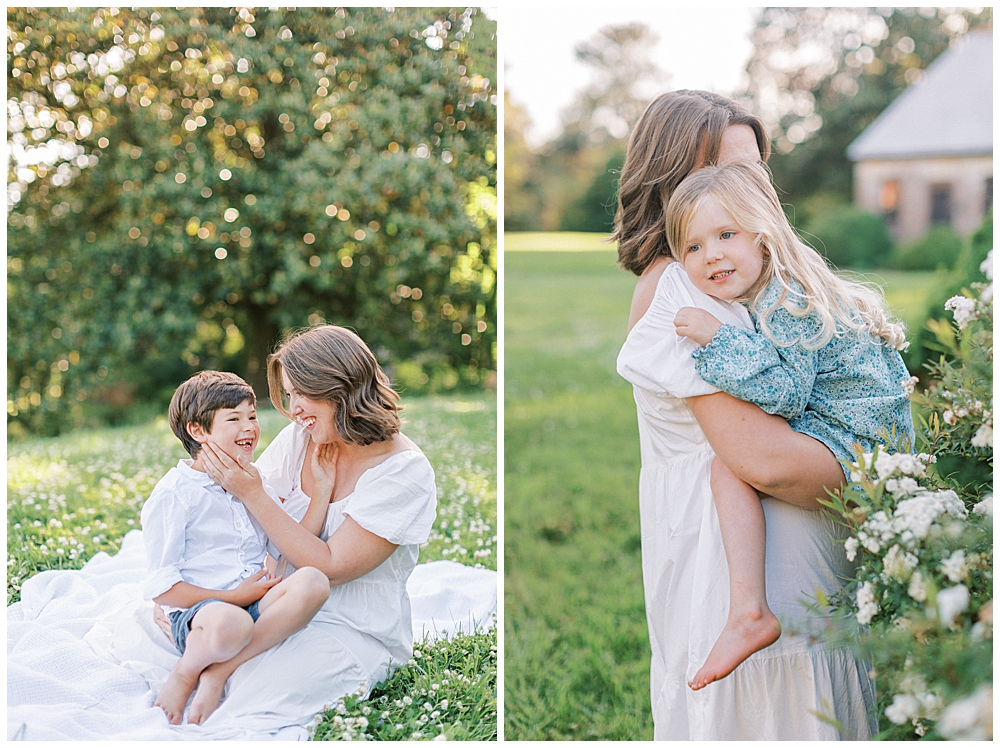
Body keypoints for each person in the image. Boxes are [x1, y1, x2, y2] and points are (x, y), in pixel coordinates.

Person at [615, 90, 878, 740]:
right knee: (777, 718)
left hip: (768, 544)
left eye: (755, 172)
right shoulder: (686, 286)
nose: (745, 189)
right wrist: (885, 484)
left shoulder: (747, 277)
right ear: (671, 184)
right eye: (722, 172)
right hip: (740, 558)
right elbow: (765, 460)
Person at [666, 161, 914, 690]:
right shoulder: (780, 291)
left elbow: (784, 394)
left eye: (726, 234)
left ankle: (749, 613)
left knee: (730, 466)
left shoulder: (787, 302)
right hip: (859, 441)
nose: (711, 254)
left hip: (859, 448)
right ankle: (751, 614)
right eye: (692, 247)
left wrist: (718, 338)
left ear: (763, 236)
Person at [186, 325, 437, 728]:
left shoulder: (404, 472)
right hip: (276, 603)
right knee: (168, 635)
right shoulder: (302, 438)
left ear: (340, 386)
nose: (294, 408)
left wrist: (254, 495)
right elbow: (249, 528)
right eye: (289, 394)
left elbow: (330, 565)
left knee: (256, 692)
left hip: (351, 627)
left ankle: (221, 671)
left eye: (303, 392)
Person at [140, 370, 330, 724]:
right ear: (198, 430)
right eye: (234, 418)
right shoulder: (175, 493)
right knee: (231, 624)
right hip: (206, 611)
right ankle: (186, 673)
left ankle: (218, 671)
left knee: (314, 582)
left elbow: (289, 545)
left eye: (252, 416)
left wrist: (321, 490)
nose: (250, 427)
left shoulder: (252, 480)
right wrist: (235, 598)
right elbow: (162, 589)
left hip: (253, 600)